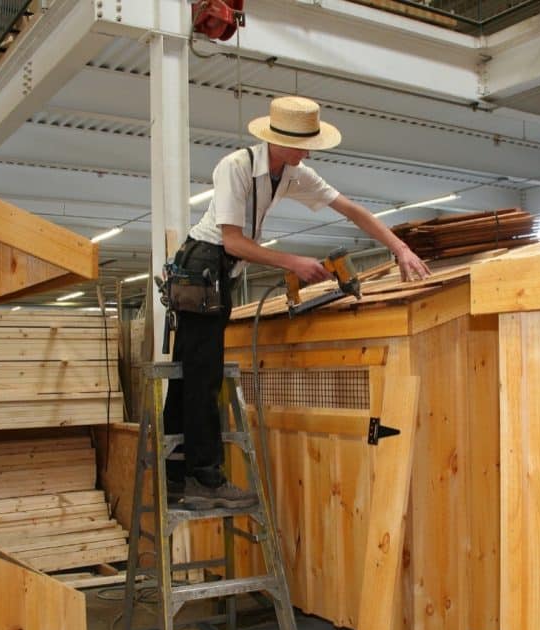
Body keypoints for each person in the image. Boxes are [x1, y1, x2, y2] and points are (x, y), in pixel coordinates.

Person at [163, 95, 431, 509]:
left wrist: (399, 247)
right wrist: (294, 262)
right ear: (278, 140)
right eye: (303, 145)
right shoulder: (234, 168)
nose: (308, 152)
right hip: (203, 267)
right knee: (202, 378)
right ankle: (204, 478)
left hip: (221, 272)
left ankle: (177, 477)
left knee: (192, 376)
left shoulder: (292, 172)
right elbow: (232, 239)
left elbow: (351, 209)